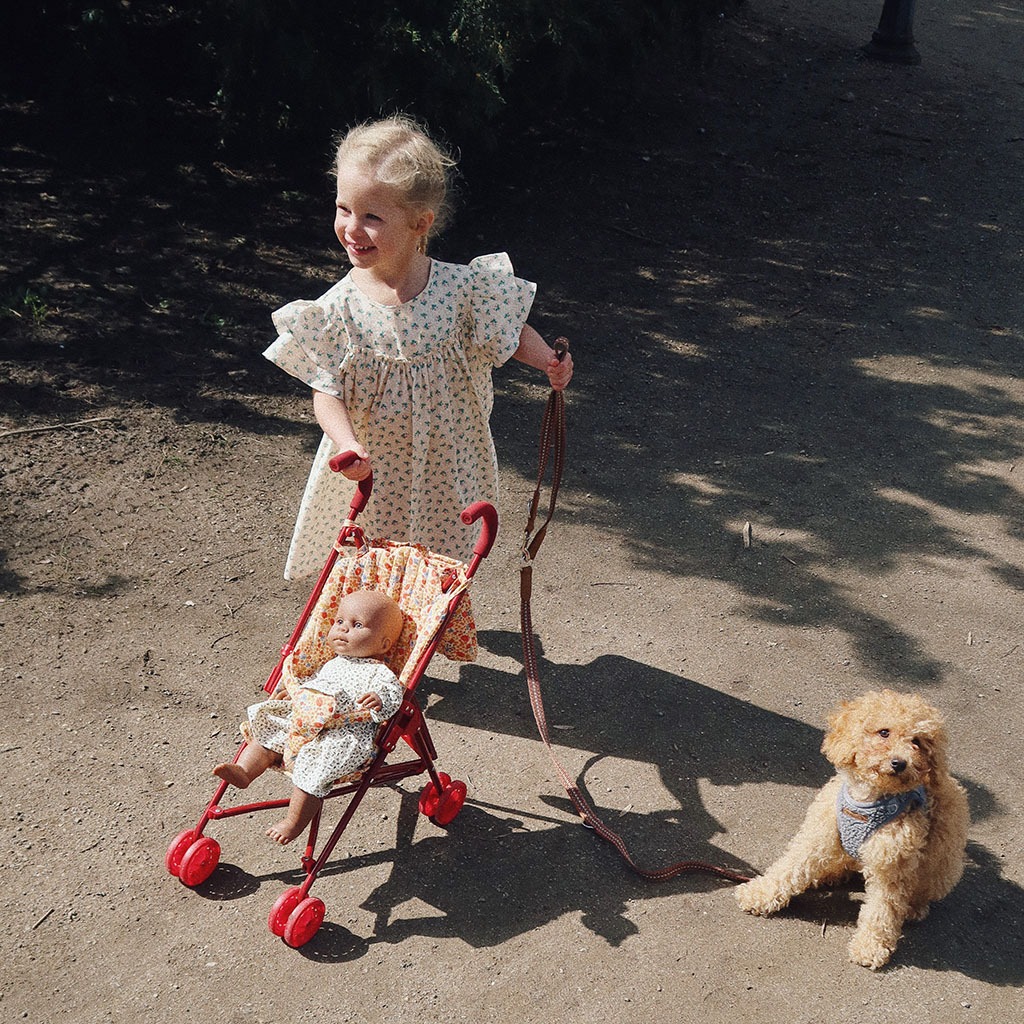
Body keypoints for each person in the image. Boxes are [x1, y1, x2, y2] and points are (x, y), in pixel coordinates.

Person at [263, 114, 574, 580]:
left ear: (419, 223)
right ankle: (371, 639)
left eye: (371, 216)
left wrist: (547, 359)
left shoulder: (462, 289)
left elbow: (508, 332)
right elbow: (325, 389)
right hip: (373, 471)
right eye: (343, 209)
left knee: (443, 556)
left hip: (449, 461)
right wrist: (347, 444)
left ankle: (429, 626)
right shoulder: (337, 310)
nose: (351, 227)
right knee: (371, 563)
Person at [213, 589, 406, 844]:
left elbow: (393, 693)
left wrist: (380, 700)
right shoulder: (332, 662)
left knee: (318, 764)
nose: (343, 629)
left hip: (342, 732)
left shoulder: (378, 672)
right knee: (272, 723)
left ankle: (293, 822)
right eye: (339, 622)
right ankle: (245, 771)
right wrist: (293, 694)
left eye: (357, 625)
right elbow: (315, 685)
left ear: (383, 643)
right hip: (306, 720)